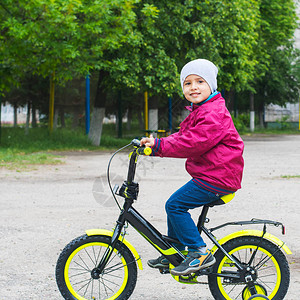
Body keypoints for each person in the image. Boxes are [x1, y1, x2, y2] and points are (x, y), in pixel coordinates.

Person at [140, 59, 244, 276]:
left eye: (199, 81)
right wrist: (154, 143)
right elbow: (183, 135)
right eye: (187, 83)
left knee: (175, 205)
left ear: (211, 85)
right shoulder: (202, 109)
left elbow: (193, 142)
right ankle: (174, 249)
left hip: (218, 177)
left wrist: (160, 146)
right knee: (175, 204)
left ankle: (198, 253)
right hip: (212, 174)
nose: (193, 87)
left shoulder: (213, 113)